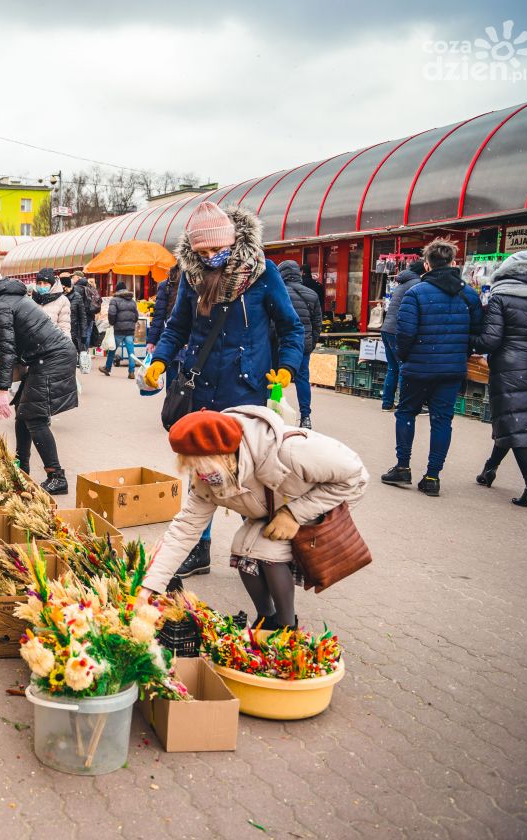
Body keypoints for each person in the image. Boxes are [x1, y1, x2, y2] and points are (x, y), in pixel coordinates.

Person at [143, 201, 304, 578]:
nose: (210, 258)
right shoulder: (190, 276)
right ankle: (199, 549)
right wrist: (161, 360)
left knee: (260, 469)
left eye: (216, 250)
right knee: (204, 471)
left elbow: (292, 328)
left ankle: (280, 548)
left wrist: (286, 369)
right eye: (202, 252)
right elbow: (177, 327)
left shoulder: (263, 274)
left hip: (248, 388)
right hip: (202, 387)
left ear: (232, 241)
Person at [138, 408, 368, 630]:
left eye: (203, 466)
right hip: (276, 505)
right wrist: (149, 588)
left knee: (267, 549)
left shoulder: (289, 451)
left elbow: (353, 474)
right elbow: (184, 530)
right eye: (193, 468)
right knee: (243, 546)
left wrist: (295, 514)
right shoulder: (207, 479)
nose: (201, 475)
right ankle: (266, 619)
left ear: (225, 454)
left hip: (324, 496)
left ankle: (286, 627)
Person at [381, 238, 481, 496]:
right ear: (453, 262)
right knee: (442, 421)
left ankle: (403, 467)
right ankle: (432, 476)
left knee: (406, 413)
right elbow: (477, 333)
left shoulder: (416, 293)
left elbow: (405, 334)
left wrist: (405, 357)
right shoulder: (469, 295)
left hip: (417, 367)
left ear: (427, 264)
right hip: (451, 369)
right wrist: (461, 352)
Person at [0, 262, 78, 495]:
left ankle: (57, 476)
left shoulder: (0, 303)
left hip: (52, 357)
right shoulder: (9, 297)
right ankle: (22, 467)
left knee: (35, 416)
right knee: (23, 411)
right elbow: (10, 341)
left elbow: (9, 347)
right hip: (46, 356)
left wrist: (2, 392)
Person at [474, 250, 527, 508]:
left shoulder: (502, 295)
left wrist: (471, 343)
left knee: (515, 422)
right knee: (516, 420)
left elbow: (491, 340)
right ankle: (489, 470)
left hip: (509, 367)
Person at [277, 260, 323, 428]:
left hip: (280, 343)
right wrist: (311, 342)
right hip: (303, 345)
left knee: (275, 378)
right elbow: (318, 322)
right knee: (303, 379)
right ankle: (306, 417)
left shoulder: (279, 292)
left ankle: (274, 413)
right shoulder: (312, 294)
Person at [378, 260, 425, 411]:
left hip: (387, 329)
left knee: (393, 368)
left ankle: (387, 403)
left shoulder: (403, 283)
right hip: (398, 330)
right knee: (403, 367)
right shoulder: (417, 284)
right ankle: (406, 404)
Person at [145, 265, 181, 384]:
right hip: (173, 337)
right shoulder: (166, 285)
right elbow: (159, 316)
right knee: (174, 384)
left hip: (193, 344)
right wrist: (152, 340)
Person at [100, 281, 140, 377]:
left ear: (117, 290)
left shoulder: (114, 300)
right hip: (129, 330)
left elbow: (112, 314)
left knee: (112, 349)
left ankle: (107, 368)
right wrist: (131, 323)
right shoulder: (132, 301)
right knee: (131, 352)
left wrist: (112, 323)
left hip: (118, 330)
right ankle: (131, 372)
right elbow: (136, 315)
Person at [31, 268, 74, 336]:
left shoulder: (62, 300)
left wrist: (66, 345)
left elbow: (64, 326)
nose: (42, 286)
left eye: (45, 283)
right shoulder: (31, 300)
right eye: (39, 283)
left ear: (52, 284)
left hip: (53, 342)